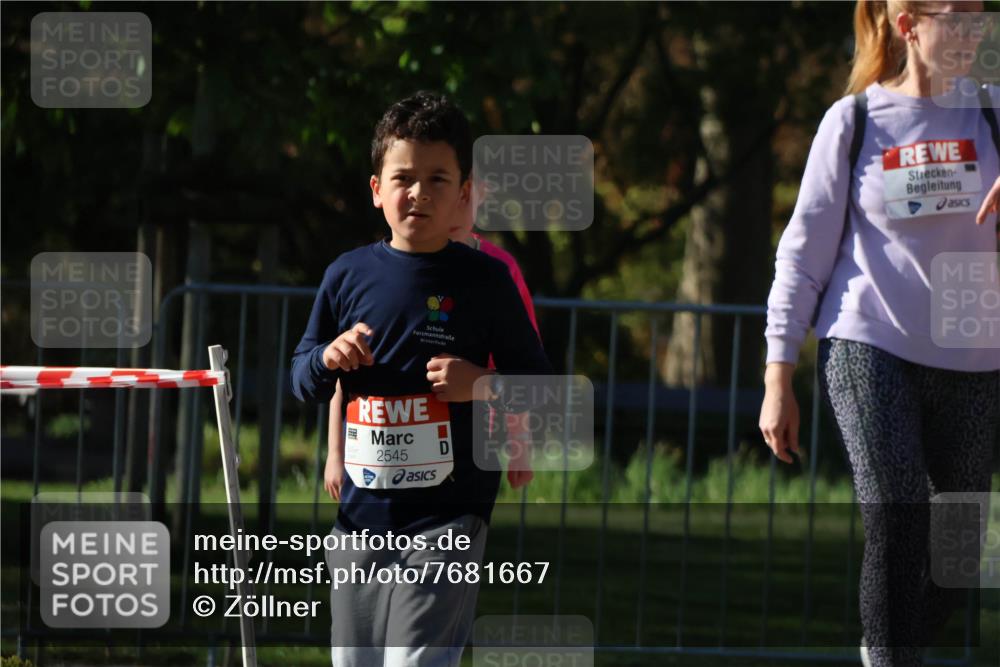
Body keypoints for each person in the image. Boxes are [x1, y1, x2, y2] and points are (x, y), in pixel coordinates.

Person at [759, 2, 999, 666]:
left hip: (974, 356)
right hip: (870, 343)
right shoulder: (856, 121)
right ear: (909, 25)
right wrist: (779, 372)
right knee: (897, 516)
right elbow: (802, 255)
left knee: (955, 558)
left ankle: (886, 644)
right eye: (959, 16)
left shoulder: (993, 113)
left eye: (982, 17)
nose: (975, 31)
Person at [290, 91, 551, 667]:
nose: (419, 192)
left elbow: (538, 386)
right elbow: (300, 376)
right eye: (403, 177)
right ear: (376, 189)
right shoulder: (346, 274)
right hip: (360, 519)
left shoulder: (487, 281)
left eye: (438, 179)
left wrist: (477, 383)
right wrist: (327, 358)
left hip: (449, 516)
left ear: (462, 192)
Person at [324, 178, 541, 502]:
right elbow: (345, 372)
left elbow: (523, 368)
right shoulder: (381, 272)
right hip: (382, 450)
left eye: (462, 200)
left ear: (478, 195)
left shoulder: (498, 273)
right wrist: (335, 453)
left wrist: (519, 443)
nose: (450, 212)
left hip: (470, 440)